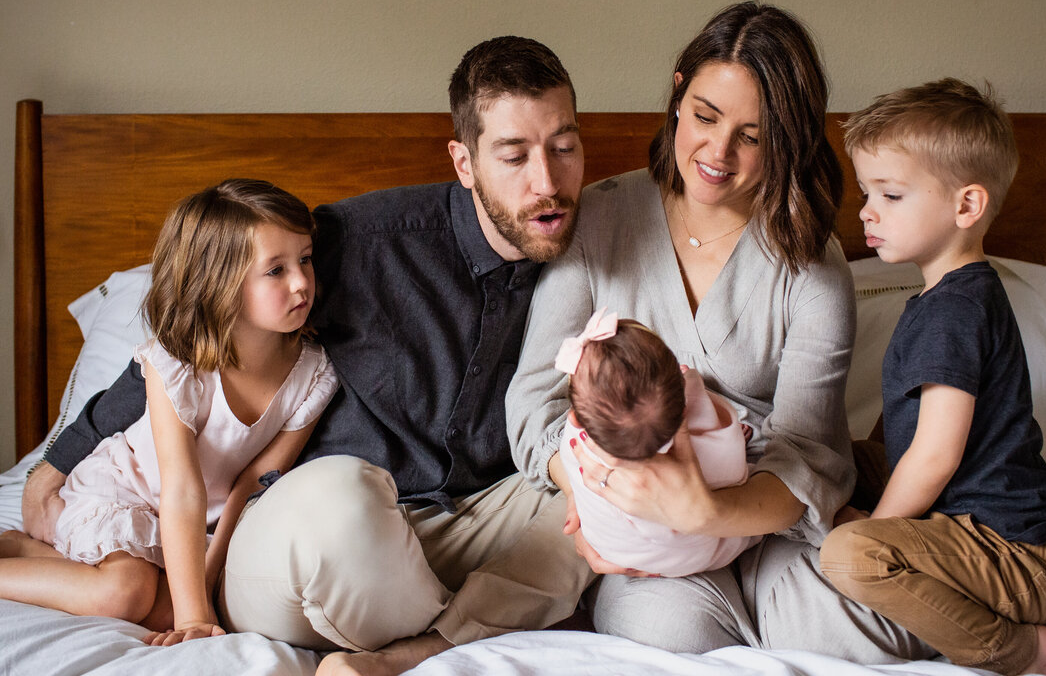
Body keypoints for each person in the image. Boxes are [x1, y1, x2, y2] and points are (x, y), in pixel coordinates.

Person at [21, 36, 595, 675]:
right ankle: (489, 610)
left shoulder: (593, 250)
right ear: (464, 161)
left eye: (565, 148)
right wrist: (53, 464)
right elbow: (190, 335)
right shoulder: (359, 242)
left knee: (601, 490)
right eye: (514, 155)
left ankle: (419, 650)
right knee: (344, 498)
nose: (547, 182)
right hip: (334, 529)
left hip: (468, 519)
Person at [507, 1, 929, 662]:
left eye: (751, 136)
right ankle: (735, 621)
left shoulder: (810, 266)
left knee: (881, 632)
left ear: (785, 141)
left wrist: (704, 513)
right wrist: (598, 495)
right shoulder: (601, 222)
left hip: (763, 518)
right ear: (678, 93)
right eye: (705, 117)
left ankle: (774, 615)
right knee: (663, 629)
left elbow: (810, 455)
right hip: (641, 516)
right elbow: (534, 405)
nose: (718, 153)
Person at [1, 179, 338, 647]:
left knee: (164, 609)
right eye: (275, 270)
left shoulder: (314, 374)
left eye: (304, 259)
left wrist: (208, 575)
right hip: (129, 492)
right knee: (125, 594)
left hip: (198, 522)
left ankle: (28, 550)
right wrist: (195, 618)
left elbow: (254, 482)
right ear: (221, 284)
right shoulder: (177, 364)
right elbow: (180, 487)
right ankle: (20, 554)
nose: (302, 281)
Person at [819, 78, 1046, 676]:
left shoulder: (955, 311)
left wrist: (877, 525)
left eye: (890, 194)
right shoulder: (947, 297)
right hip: (974, 526)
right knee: (832, 455)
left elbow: (934, 456)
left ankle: (1020, 653)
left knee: (850, 555)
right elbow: (902, 435)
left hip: (1016, 557)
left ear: (966, 205)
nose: (866, 211)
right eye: (866, 191)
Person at [555, 308, 759, 578]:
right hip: (691, 553)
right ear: (683, 408)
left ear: (576, 419)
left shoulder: (577, 437)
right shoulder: (699, 454)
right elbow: (732, 473)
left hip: (610, 545)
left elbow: (571, 468)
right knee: (744, 489)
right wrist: (717, 422)